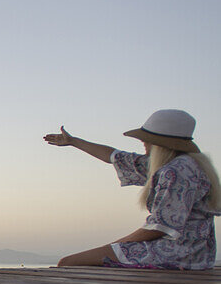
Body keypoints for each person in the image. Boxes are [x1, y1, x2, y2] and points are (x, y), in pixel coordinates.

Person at [43, 109, 220, 269]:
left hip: (177, 253)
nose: (143, 141)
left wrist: (116, 245)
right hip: (200, 255)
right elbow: (114, 156)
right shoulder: (186, 164)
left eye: (147, 138)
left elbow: (160, 228)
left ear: (160, 142)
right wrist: (73, 141)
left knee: (67, 263)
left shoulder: (174, 172)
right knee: (83, 260)